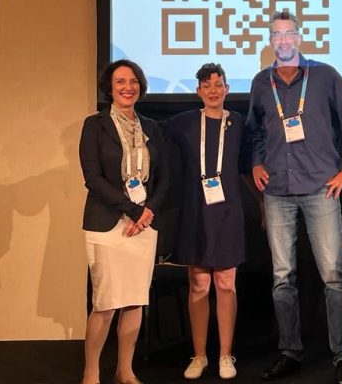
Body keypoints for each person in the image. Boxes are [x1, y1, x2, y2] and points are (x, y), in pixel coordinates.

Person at [246, 10, 342, 384]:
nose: (283, 41)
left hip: (320, 187)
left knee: (333, 275)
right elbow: (255, 132)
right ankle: (290, 351)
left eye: (289, 34)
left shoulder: (325, 76)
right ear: (270, 42)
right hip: (277, 191)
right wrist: (256, 162)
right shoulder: (261, 83)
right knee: (282, 276)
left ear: (299, 38)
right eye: (276, 35)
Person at [79, 59, 169, 384]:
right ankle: (91, 372)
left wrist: (147, 212)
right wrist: (132, 210)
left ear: (140, 87)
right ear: (110, 87)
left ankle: (125, 370)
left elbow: (164, 178)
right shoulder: (95, 125)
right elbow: (92, 178)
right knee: (105, 302)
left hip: (143, 225)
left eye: (133, 81)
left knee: (134, 301)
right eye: (120, 82)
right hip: (108, 222)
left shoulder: (152, 128)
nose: (127, 87)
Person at [167, 63, 246, 380]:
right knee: (199, 285)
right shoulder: (184, 122)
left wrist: (264, 207)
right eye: (207, 85)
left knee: (226, 283)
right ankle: (199, 355)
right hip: (195, 212)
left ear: (227, 88)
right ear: (198, 90)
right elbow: (152, 136)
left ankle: (226, 355)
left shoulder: (238, 123)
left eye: (218, 84)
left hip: (228, 213)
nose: (213, 90)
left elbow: (250, 166)